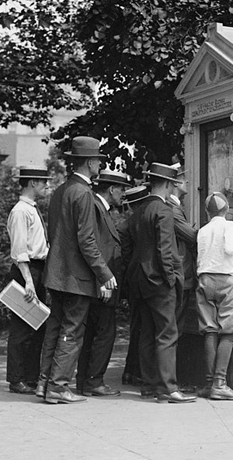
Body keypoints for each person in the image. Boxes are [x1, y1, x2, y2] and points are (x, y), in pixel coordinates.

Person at [38, 136, 117, 404]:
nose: (99, 166)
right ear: (90, 162)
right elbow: (87, 241)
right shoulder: (84, 194)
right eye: (98, 161)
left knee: (55, 329)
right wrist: (105, 274)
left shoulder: (61, 190)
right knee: (72, 332)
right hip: (76, 277)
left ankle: (44, 384)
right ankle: (58, 388)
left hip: (56, 273)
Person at [121, 163, 196, 403]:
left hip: (140, 280)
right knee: (167, 333)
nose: (173, 189)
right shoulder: (163, 210)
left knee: (147, 333)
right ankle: (168, 387)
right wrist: (171, 277)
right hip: (160, 281)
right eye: (173, 184)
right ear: (166, 184)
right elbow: (166, 249)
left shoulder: (141, 210)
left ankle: (150, 385)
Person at [76, 170, 131, 397]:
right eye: (121, 190)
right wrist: (103, 281)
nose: (123, 195)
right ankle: (94, 381)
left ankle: (85, 381)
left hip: (99, 283)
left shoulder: (101, 209)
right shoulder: (98, 210)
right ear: (111, 189)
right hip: (102, 284)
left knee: (93, 334)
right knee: (104, 334)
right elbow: (95, 248)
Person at [195, 192, 233, 400]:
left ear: (208, 212)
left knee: (209, 330)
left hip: (205, 280)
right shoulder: (229, 226)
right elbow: (230, 248)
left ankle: (208, 383)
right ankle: (220, 383)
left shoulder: (203, 230)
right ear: (226, 210)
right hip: (226, 280)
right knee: (229, 331)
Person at [5, 167, 51, 394]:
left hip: (38, 269)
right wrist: (29, 281)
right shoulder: (21, 211)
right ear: (33, 182)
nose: (46, 186)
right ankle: (16, 378)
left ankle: (31, 376)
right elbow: (19, 249)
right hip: (28, 270)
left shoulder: (31, 209)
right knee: (22, 328)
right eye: (43, 182)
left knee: (37, 325)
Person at [118, 185, 150, 386]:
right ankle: (135, 371)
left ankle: (130, 370)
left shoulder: (125, 225)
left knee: (136, 327)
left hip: (131, 282)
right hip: (139, 281)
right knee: (142, 328)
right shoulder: (137, 225)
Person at [167, 164, 198, 336]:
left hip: (180, 274)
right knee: (175, 327)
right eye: (183, 178)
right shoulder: (173, 209)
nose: (187, 181)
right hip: (181, 274)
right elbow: (192, 236)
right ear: (176, 183)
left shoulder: (174, 207)